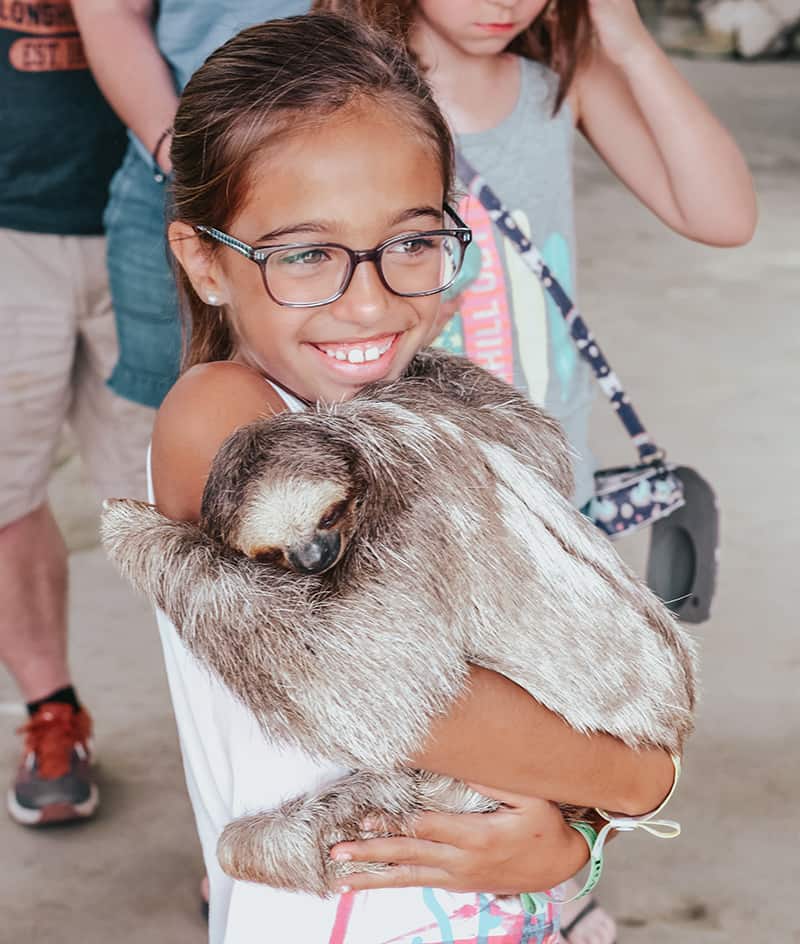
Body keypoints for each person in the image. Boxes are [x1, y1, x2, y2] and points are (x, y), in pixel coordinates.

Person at [152, 12, 678, 943]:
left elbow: (574, 656)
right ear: (204, 262)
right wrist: (637, 778)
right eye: (307, 255)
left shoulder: (448, 416)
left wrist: (573, 846)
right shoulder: (222, 415)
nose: (371, 300)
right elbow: (376, 683)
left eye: (411, 243)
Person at [312, 3, 757, 937]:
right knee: (419, 763)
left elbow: (723, 213)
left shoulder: (559, 85)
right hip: (412, 517)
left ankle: (553, 906)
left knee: (565, 755)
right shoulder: (351, 87)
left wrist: (622, 33)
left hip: (554, 517)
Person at [0, 2, 155, 825]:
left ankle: (238, 743)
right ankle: (50, 713)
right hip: (5, 230)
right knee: (4, 495)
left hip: (152, 209)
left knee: (183, 500)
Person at [70, 0, 309, 411]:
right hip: (189, 180)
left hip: (376, 168)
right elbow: (112, 9)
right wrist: (178, 155)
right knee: (170, 414)